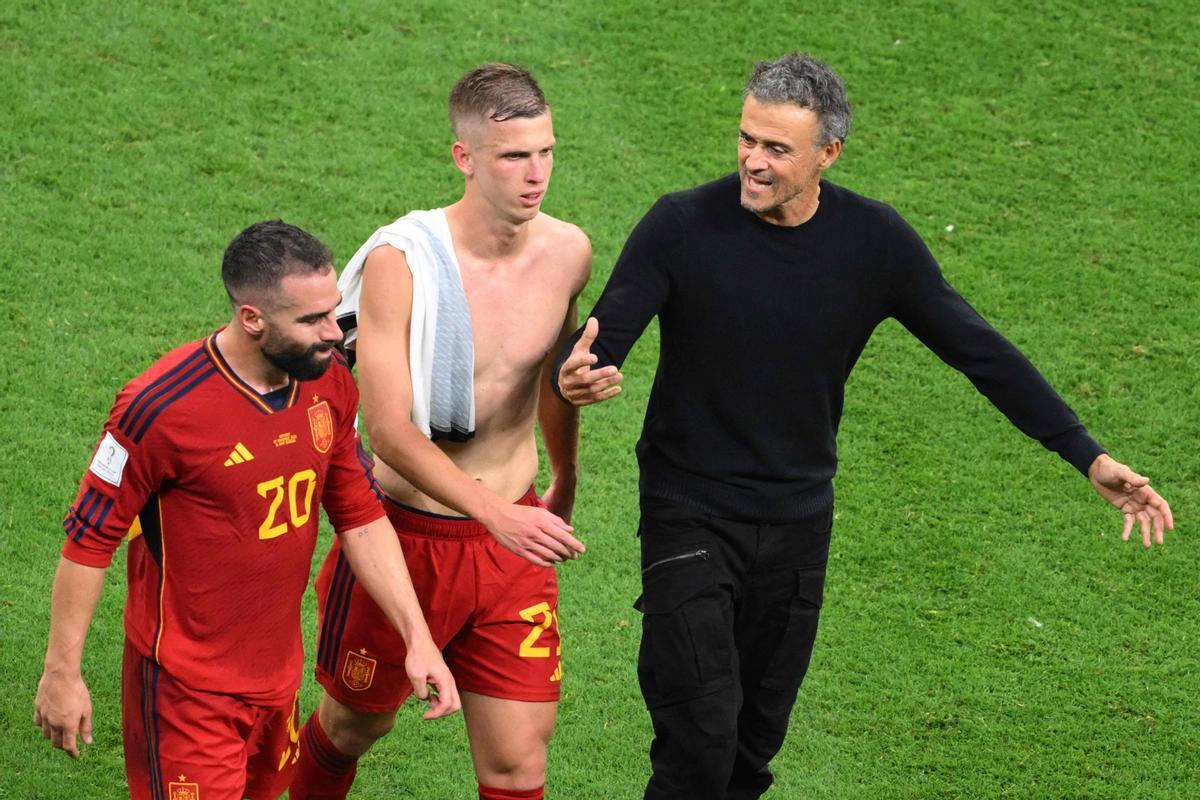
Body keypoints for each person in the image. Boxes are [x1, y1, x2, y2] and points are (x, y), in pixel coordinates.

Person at [553, 53, 1174, 800]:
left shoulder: (873, 243)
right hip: (690, 515)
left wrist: (1088, 455)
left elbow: (979, 351)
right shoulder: (681, 225)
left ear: (828, 154)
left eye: (776, 148)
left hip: (798, 526)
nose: (752, 160)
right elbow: (600, 340)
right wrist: (577, 375)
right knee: (699, 743)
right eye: (747, 138)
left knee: (749, 754)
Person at [33, 220, 459, 800]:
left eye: (334, 311)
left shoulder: (329, 383)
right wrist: (62, 674)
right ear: (252, 318)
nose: (335, 333)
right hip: (185, 689)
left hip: (276, 681)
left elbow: (360, 515)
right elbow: (89, 542)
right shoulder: (158, 409)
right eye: (312, 320)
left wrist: (418, 637)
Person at [289, 64, 590, 800]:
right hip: (402, 535)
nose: (536, 174)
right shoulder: (404, 263)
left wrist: (565, 476)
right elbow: (387, 430)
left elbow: (548, 378)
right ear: (465, 158)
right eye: (514, 156)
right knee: (356, 725)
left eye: (545, 152)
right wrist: (495, 515)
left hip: (511, 539)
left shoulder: (568, 253)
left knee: (518, 763)